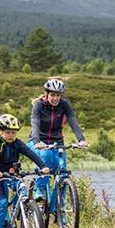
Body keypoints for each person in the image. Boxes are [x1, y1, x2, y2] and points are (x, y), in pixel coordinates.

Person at [0, 114, 50, 228]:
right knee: (2, 203)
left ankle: (14, 215)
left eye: (13, 133)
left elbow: (30, 153)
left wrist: (43, 166)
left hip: (11, 175)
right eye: (8, 132)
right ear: (0, 131)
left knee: (21, 190)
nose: (11, 135)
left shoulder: (17, 143)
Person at [28, 78, 88, 211]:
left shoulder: (64, 105)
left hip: (57, 143)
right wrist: (37, 141)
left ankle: (60, 210)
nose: (55, 98)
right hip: (37, 142)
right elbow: (35, 123)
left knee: (63, 173)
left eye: (58, 95)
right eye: (52, 95)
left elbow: (73, 121)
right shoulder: (38, 105)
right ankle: (39, 189)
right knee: (47, 156)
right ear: (47, 94)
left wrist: (81, 139)